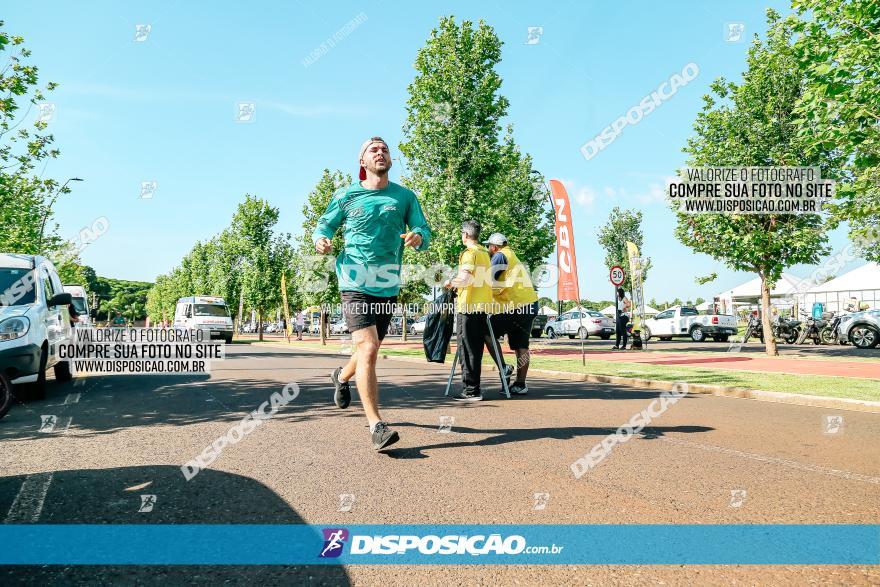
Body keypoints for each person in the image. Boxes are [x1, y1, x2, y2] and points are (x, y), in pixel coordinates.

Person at [314, 136, 431, 450]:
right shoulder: (346, 195)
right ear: (362, 162)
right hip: (353, 281)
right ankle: (376, 425)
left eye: (385, 150)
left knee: (370, 348)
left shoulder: (405, 197)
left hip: (387, 283)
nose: (381, 153)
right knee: (368, 348)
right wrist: (321, 239)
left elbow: (424, 228)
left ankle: (341, 377)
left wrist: (419, 236)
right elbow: (324, 226)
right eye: (373, 150)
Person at [482, 233, 538, 396]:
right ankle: (520, 384)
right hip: (529, 305)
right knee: (522, 345)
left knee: (486, 331)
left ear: (493, 246)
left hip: (515, 305)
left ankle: (504, 367)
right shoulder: (511, 255)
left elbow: (486, 280)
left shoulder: (499, 256)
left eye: (488, 247)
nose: (487, 250)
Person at [444, 220, 495, 401]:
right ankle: (474, 388)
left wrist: (450, 283)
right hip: (482, 306)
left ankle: (471, 391)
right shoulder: (484, 252)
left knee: (467, 349)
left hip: (468, 306)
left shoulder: (469, 253)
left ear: (465, 235)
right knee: (475, 349)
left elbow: (465, 278)